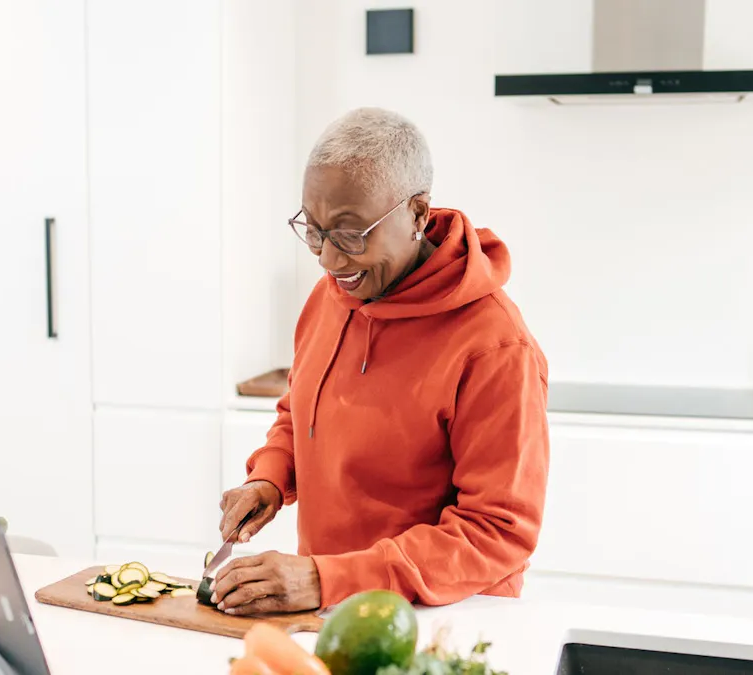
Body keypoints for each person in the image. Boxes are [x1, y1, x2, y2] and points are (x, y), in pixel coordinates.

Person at [211, 107, 549, 616]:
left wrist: (325, 579)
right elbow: (300, 412)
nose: (327, 259)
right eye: (314, 230)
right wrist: (271, 478)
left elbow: (497, 532)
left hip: (437, 619)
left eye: (350, 234)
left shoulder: (496, 346)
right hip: (328, 605)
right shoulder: (332, 296)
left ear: (417, 213)